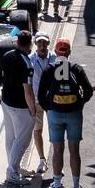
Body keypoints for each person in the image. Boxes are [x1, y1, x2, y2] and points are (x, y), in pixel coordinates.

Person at [39, 38, 95, 188]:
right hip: (74, 114)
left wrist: (48, 109)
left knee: (57, 149)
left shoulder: (49, 69)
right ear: (69, 52)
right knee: (74, 150)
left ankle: (56, 185)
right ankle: (76, 186)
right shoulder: (76, 69)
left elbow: (41, 94)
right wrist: (80, 103)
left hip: (55, 113)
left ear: (55, 52)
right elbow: (89, 91)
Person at [0, 30, 38, 187]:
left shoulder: (7, 55)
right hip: (20, 106)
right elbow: (27, 89)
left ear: (17, 42)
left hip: (6, 102)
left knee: (10, 137)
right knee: (22, 140)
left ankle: (13, 167)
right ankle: (12, 172)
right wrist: (33, 108)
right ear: (30, 44)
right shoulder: (26, 62)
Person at [28, 34, 55, 176]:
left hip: (52, 102)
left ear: (48, 44)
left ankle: (57, 162)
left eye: (44, 44)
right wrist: (30, 102)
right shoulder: (31, 60)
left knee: (55, 131)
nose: (42, 47)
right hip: (37, 101)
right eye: (39, 44)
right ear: (35, 44)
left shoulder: (55, 57)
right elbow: (28, 82)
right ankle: (42, 159)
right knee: (37, 130)